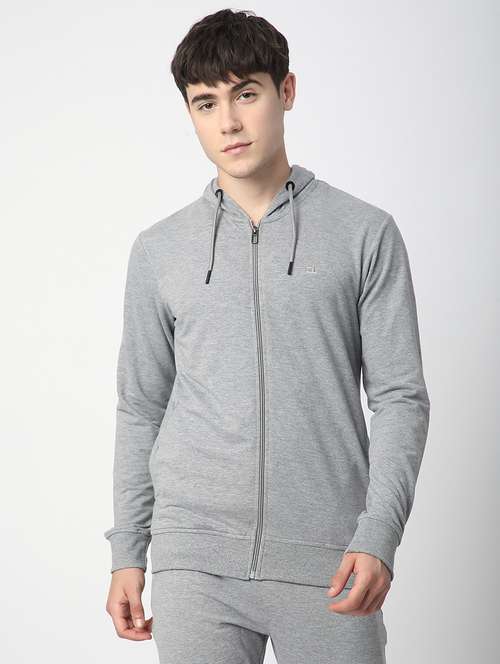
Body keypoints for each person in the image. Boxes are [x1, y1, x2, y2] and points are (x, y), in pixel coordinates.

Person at [104, 8, 430, 663]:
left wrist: (378, 534)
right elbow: (141, 406)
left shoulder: (364, 233)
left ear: (286, 91)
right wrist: (128, 551)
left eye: (245, 94)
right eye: (206, 103)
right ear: (190, 113)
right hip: (195, 562)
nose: (228, 122)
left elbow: (400, 397)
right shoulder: (160, 250)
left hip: (330, 560)